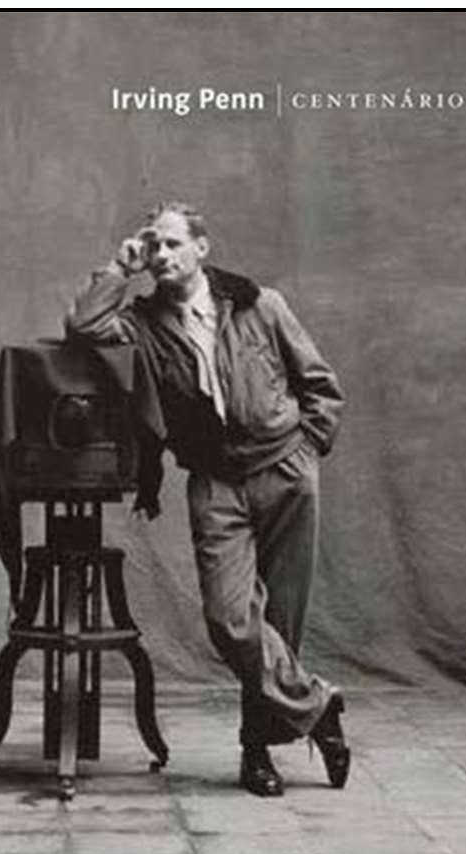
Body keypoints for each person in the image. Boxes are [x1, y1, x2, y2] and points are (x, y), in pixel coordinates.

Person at [65, 201, 349, 797]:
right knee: (230, 618)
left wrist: (309, 448)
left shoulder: (260, 305)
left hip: (285, 470)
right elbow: (85, 326)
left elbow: (319, 383)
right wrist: (119, 267)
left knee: (278, 625)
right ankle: (319, 708)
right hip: (217, 482)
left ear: (202, 248)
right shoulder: (142, 325)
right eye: (154, 246)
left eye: (173, 243)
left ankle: (256, 755)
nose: (162, 255)